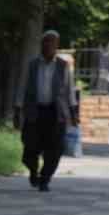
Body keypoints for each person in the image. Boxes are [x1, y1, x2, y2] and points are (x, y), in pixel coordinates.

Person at [12, 30, 78, 191]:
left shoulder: (63, 66)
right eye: (45, 42)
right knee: (30, 148)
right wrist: (17, 110)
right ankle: (33, 170)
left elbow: (70, 90)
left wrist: (74, 113)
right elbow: (22, 87)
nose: (48, 45)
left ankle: (45, 179)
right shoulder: (32, 65)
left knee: (55, 148)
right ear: (41, 45)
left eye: (52, 42)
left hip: (55, 113)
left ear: (56, 46)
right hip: (35, 111)